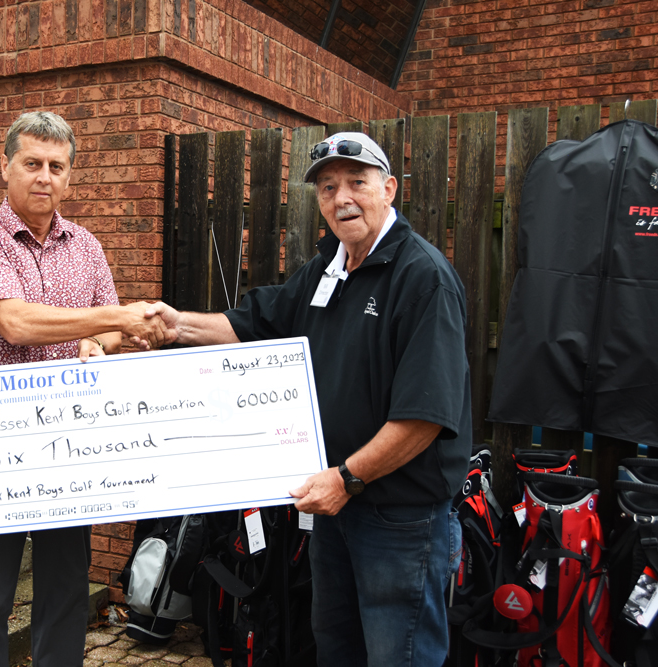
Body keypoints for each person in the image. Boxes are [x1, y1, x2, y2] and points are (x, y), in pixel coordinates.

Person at [144, 132, 471, 666]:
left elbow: (423, 418)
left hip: (398, 520)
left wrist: (348, 478)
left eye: (356, 183)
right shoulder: (327, 269)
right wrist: (174, 325)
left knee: (399, 656)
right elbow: (254, 324)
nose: (341, 198)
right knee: (335, 647)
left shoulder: (422, 277)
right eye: (327, 187)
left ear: (388, 189)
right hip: (333, 509)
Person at [0, 111, 168, 667]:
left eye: (56, 166)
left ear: (69, 177)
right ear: (5, 167)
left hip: (70, 445)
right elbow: (16, 324)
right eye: (32, 163)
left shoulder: (86, 246)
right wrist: (108, 318)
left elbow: (109, 331)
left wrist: (114, 338)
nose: (44, 176)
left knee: (66, 591)